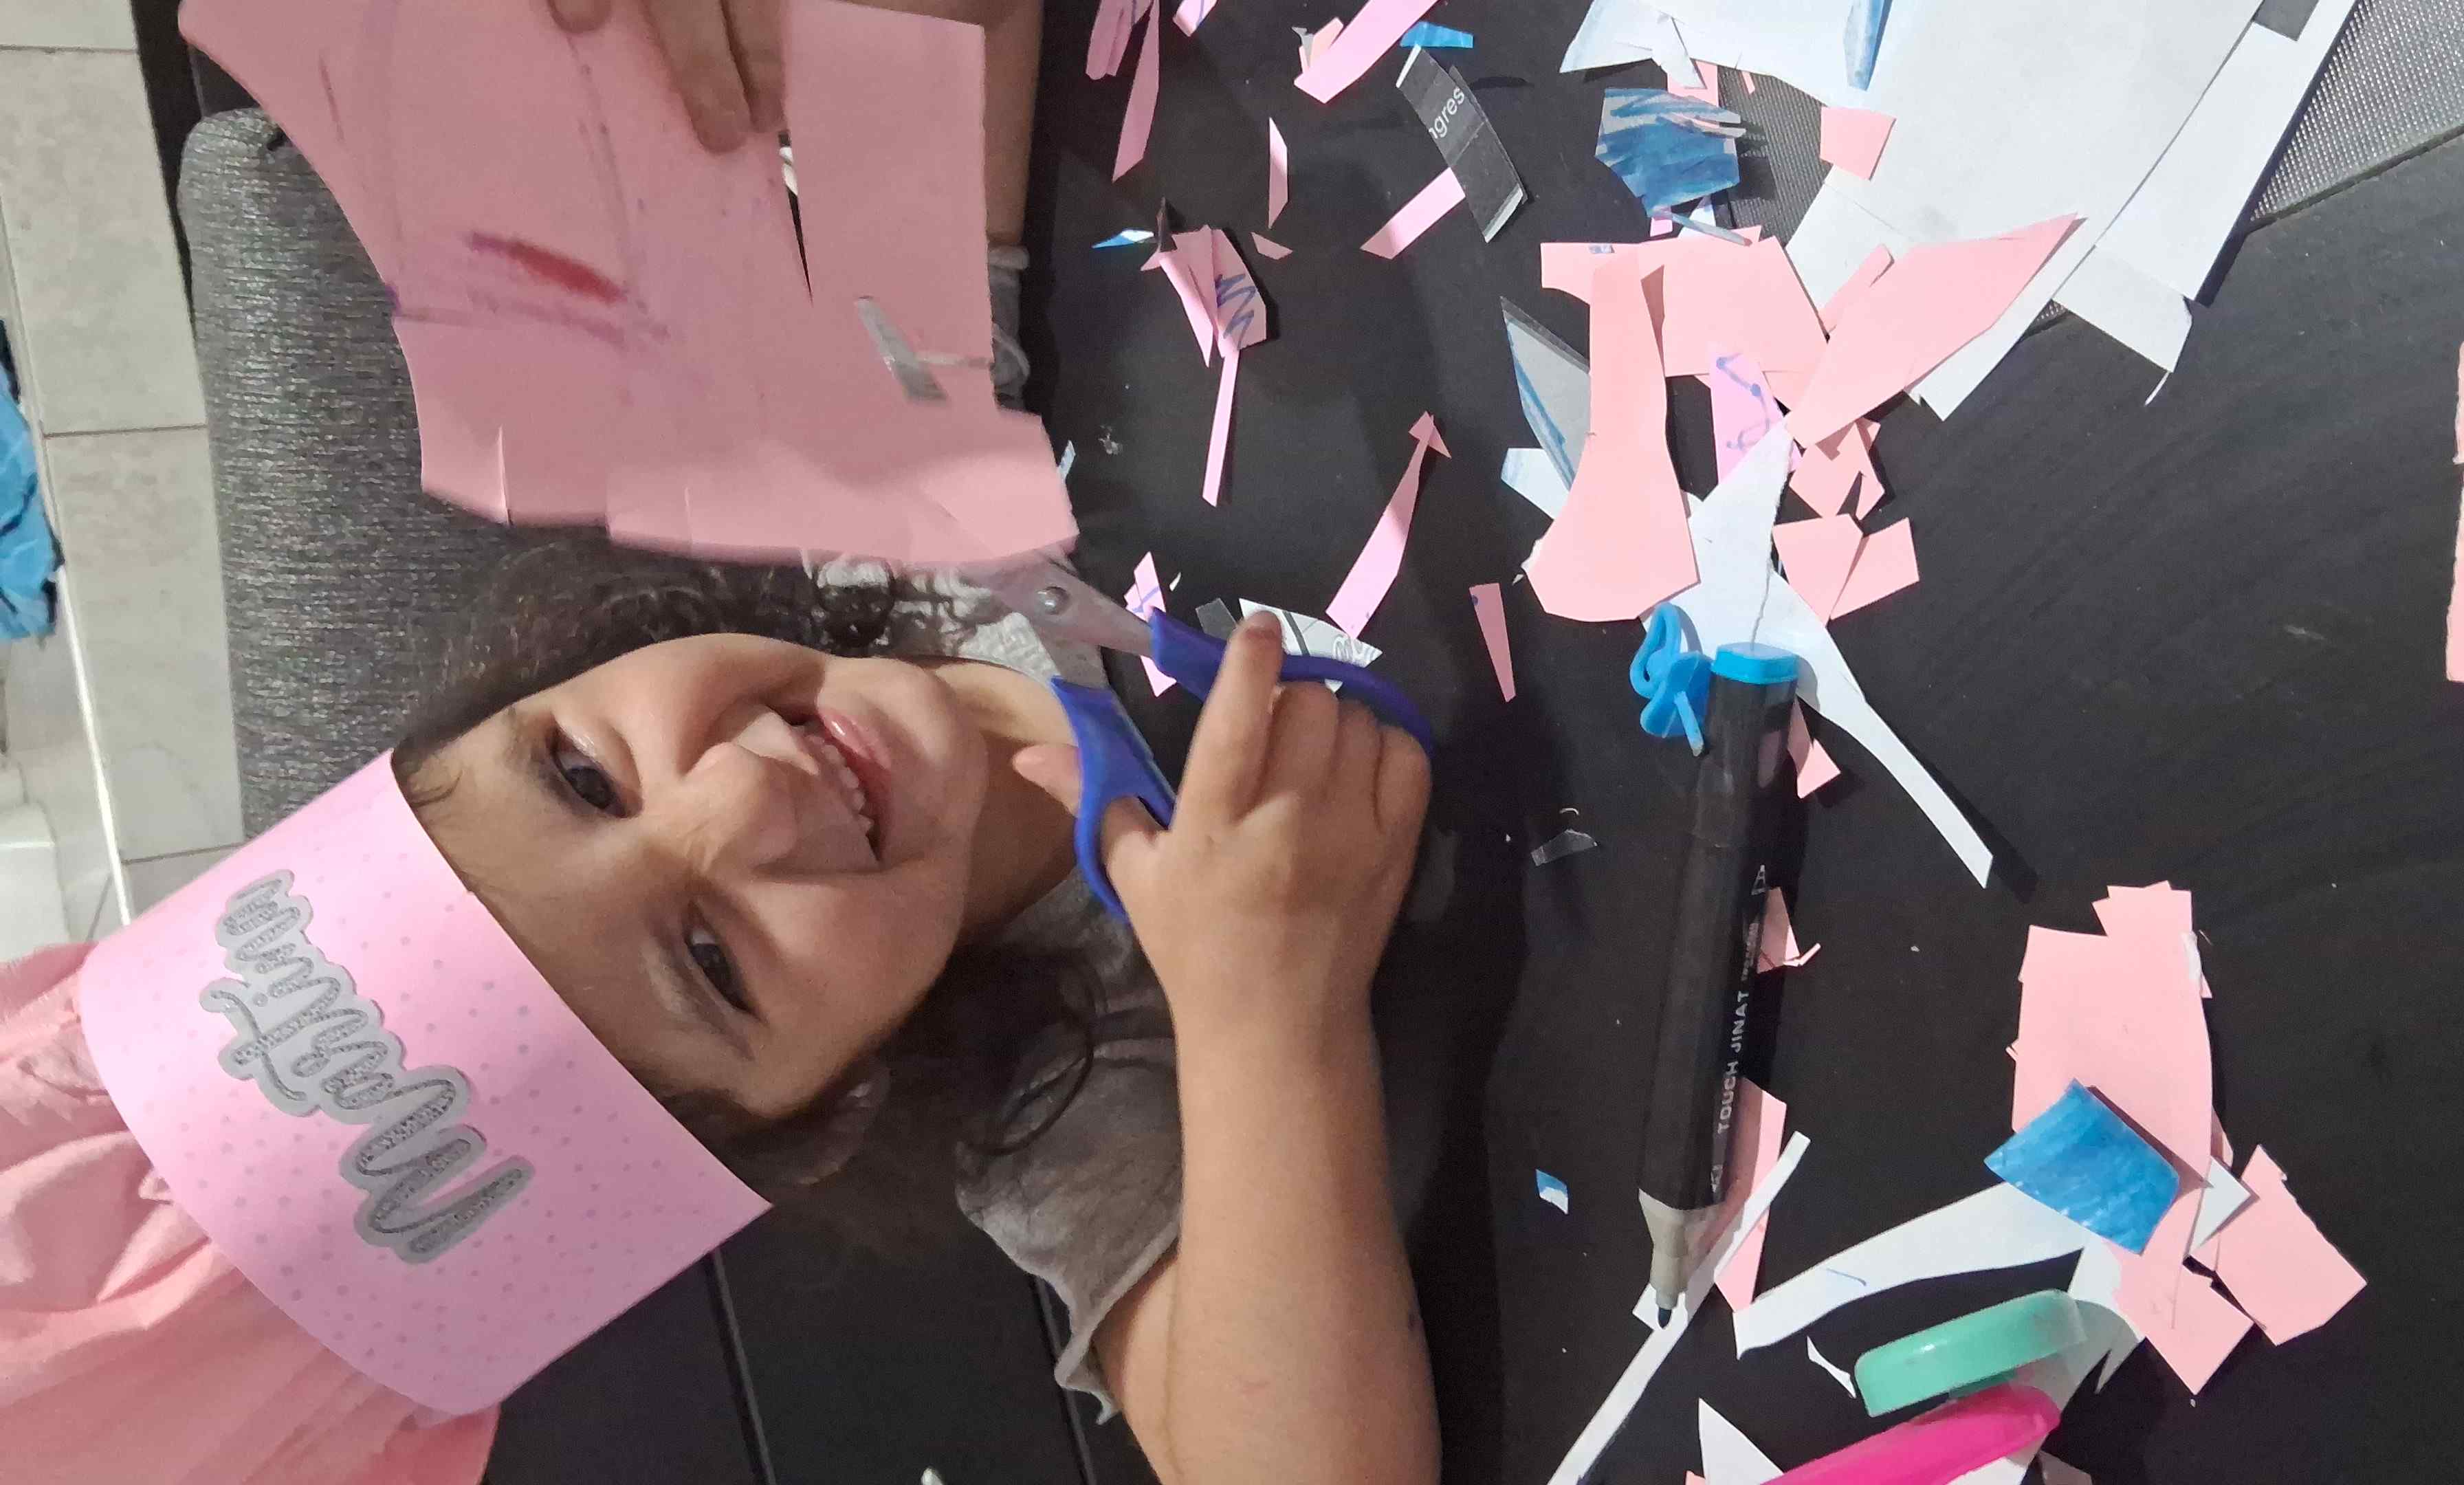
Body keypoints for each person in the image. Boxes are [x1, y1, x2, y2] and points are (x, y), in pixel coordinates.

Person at [1, 1, 1443, 1481]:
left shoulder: (889, 513)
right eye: (710, 961)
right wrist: (1267, 1017)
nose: (745, 794)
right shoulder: (1060, 1084)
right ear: (828, 1112)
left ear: (537, 682)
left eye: (583, 776)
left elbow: (928, 45)